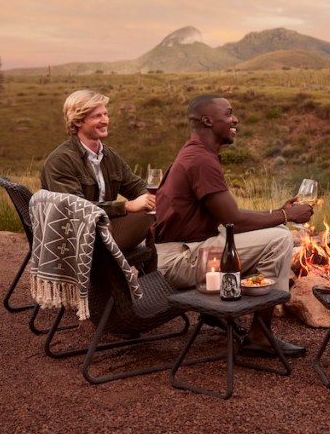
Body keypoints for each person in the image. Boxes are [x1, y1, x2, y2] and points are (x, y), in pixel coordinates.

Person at [153, 94, 313, 358]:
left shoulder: (197, 154)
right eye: (228, 114)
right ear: (207, 120)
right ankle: (260, 335)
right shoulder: (201, 161)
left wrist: (278, 212)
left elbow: (230, 215)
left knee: (276, 232)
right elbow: (234, 222)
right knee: (280, 238)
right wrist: (287, 216)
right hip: (180, 260)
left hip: (187, 250)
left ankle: (229, 313)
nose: (235, 119)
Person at [40, 89, 156, 254]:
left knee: (155, 211)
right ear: (78, 121)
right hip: (78, 239)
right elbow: (77, 210)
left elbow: (135, 185)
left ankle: (152, 278)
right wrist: (127, 206)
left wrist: (153, 198)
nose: (105, 120)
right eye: (97, 116)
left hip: (105, 229)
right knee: (151, 216)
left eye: (106, 114)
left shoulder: (109, 156)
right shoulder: (61, 160)